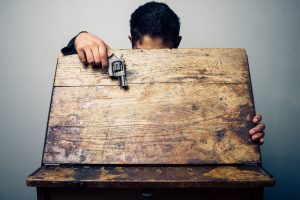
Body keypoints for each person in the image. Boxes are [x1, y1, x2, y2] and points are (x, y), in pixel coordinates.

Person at [61, 1, 265, 144]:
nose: (153, 66)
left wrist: (245, 131)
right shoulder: (117, 69)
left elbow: (218, 122)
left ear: (177, 44)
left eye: (162, 56)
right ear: (131, 42)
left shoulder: (202, 83)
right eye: (144, 55)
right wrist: (78, 38)